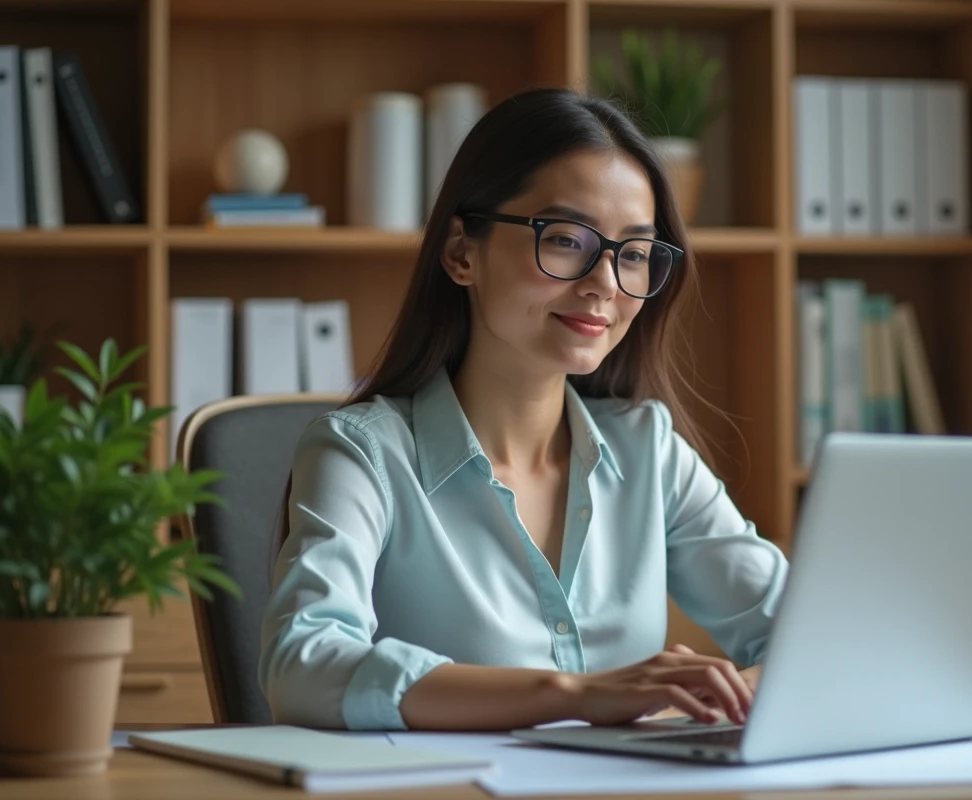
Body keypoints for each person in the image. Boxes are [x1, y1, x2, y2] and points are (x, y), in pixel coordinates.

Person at [258, 87, 789, 732]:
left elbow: (807, 630)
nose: (603, 283)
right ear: (461, 253)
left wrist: (731, 692)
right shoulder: (362, 453)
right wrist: (576, 694)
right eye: (566, 240)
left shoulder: (648, 450)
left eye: (635, 253)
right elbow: (302, 665)